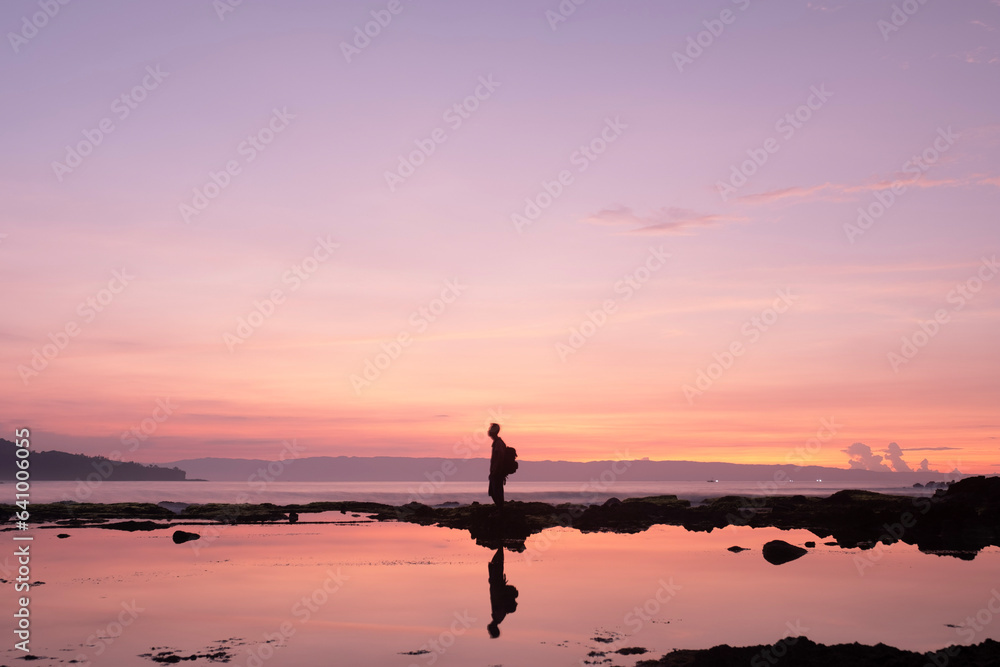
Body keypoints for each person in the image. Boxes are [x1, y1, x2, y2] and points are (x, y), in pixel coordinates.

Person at [487, 547, 518, 638]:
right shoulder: (498, 617)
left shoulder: (497, 617)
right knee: (497, 565)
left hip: (496, 584)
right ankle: (500, 546)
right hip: (497, 584)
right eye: (490, 631)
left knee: (496, 565)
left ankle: (500, 547)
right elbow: (499, 598)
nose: (488, 630)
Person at [488, 423, 507, 507]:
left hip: (497, 472)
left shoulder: (498, 443)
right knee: (494, 492)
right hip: (496, 472)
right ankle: (500, 509)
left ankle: (500, 510)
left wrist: (495, 471)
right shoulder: (497, 443)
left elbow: (499, 458)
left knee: (496, 492)